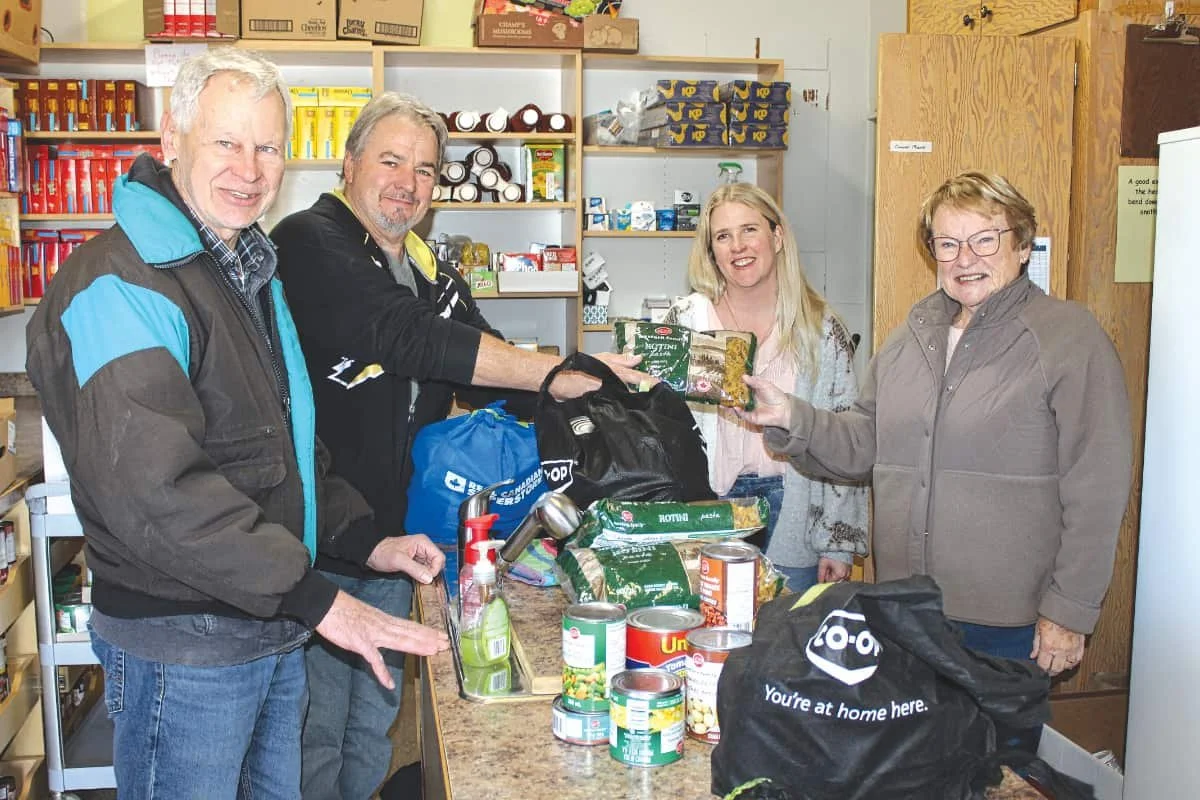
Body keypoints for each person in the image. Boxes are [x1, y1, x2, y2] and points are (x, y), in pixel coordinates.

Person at [24, 49, 450, 800]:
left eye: (268, 147)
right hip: (185, 645)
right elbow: (158, 491)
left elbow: (287, 449)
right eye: (226, 142)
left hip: (264, 624)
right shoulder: (116, 281)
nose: (249, 169)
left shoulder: (248, 268)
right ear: (173, 141)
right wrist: (319, 598)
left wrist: (365, 540)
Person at [271, 91, 646, 799]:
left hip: (398, 538)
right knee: (314, 729)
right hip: (321, 537)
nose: (406, 182)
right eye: (389, 160)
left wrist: (588, 408)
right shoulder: (309, 241)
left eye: (424, 169)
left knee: (371, 722)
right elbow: (410, 338)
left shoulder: (426, 268)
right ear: (348, 165)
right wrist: (562, 375)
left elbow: (484, 367)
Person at [740, 171, 1132, 679]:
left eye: (984, 239)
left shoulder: (1068, 339)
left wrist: (1069, 609)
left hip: (1009, 622)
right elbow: (864, 442)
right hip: (906, 610)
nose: (965, 258)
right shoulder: (912, 338)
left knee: (999, 757)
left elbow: (1097, 486)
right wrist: (792, 415)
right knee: (915, 756)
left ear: (1022, 245)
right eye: (948, 244)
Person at [662, 183, 868, 593]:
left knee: (782, 647)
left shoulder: (820, 329)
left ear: (777, 237)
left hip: (793, 509)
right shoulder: (685, 321)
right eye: (722, 236)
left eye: (749, 230)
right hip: (706, 510)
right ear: (711, 252)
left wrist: (839, 543)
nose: (738, 246)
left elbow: (844, 435)